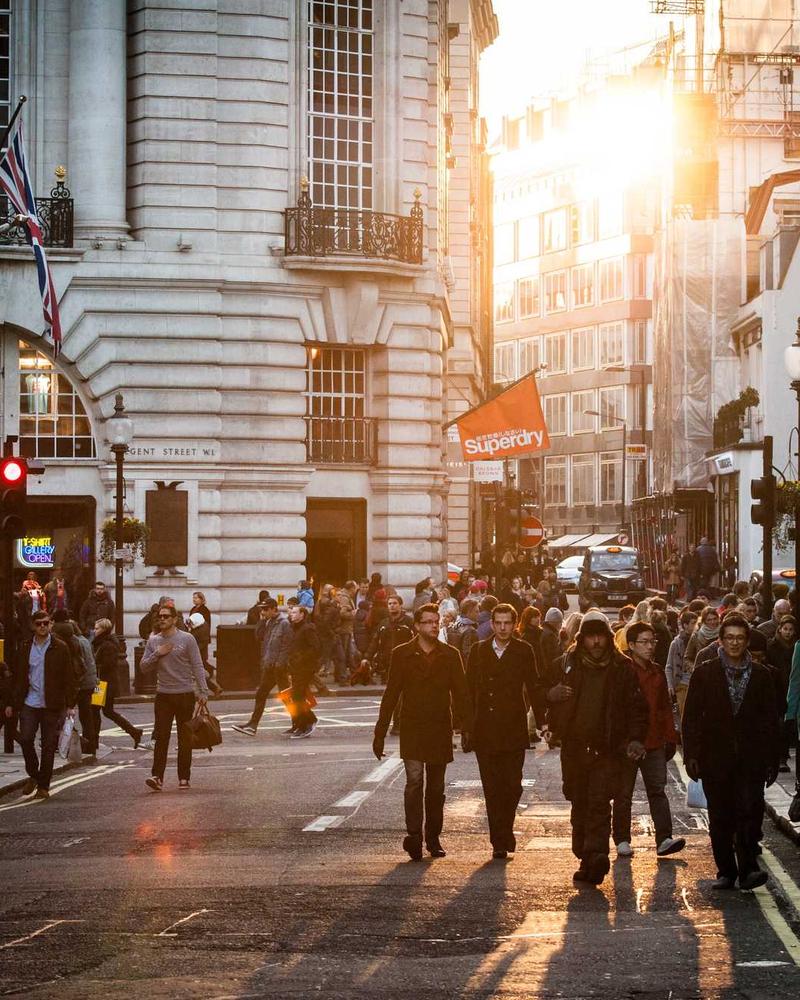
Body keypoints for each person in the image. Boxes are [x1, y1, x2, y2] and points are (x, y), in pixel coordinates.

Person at [546, 610, 648, 886]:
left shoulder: (622, 668)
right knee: (579, 800)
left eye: (600, 636)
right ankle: (585, 854)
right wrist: (550, 697)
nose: (596, 642)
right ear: (582, 639)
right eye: (590, 636)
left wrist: (635, 739)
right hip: (575, 748)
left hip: (608, 749)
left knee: (600, 804)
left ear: (608, 638)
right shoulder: (567, 664)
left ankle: (597, 853)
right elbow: (543, 691)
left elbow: (637, 708)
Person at [682, 613, 780, 890]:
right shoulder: (705, 673)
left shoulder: (761, 675)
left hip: (751, 758)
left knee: (750, 811)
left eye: (739, 638)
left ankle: (748, 868)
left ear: (747, 641)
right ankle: (726, 870)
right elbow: (691, 718)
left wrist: (773, 759)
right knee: (721, 815)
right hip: (715, 757)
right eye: (729, 638)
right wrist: (692, 754)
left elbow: (770, 720)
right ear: (720, 641)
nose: (734, 643)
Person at [372, 603, 471, 861]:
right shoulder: (402, 654)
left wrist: (467, 728)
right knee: (414, 782)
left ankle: (434, 838)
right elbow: (391, 693)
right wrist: (380, 731)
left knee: (436, 788)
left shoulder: (450, 654)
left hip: (439, 727)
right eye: (427, 622)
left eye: (436, 621)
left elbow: (461, 694)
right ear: (417, 626)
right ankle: (414, 835)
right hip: (413, 726)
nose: (433, 626)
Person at [464, 603, 539, 859]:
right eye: (498, 622)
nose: (503, 627)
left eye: (508, 622)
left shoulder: (523, 650)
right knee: (492, 787)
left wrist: (543, 722)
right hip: (485, 729)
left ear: (514, 624)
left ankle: (505, 829)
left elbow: (534, 686)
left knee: (513, 785)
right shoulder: (478, 651)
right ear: (492, 624)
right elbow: (468, 691)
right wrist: (466, 725)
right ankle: (499, 839)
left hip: (513, 728)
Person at [612, 621, 685, 859]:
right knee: (623, 793)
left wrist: (670, 737)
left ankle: (664, 838)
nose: (650, 646)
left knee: (657, 790)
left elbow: (664, 707)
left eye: (652, 641)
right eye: (644, 642)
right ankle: (622, 839)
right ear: (631, 645)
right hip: (628, 745)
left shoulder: (656, 672)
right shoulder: (622, 670)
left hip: (654, 742)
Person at [139, 604, 209, 790]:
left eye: (166, 616)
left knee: (184, 738)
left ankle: (184, 777)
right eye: (160, 616)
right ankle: (157, 777)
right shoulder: (154, 641)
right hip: (163, 695)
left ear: (174, 619)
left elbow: (197, 665)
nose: (162, 619)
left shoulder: (187, 639)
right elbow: (143, 667)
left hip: (185, 694)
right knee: (161, 738)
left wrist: (203, 691)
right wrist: (157, 653)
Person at [14, 611, 77, 799]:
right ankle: (34, 774)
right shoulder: (25, 647)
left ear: (51, 624)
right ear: (33, 625)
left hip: (52, 704)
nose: (42, 626)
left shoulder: (60, 647)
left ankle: (43, 786)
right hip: (30, 702)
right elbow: (18, 676)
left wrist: (70, 705)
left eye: (46, 623)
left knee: (48, 746)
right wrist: (12, 702)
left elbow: (69, 677)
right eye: (39, 623)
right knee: (25, 739)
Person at [234, 599, 292, 736]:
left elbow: (287, 646)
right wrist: (261, 621)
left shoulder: (284, 623)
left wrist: (280, 663)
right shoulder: (269, 622)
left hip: (279, 667)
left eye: (265, 609)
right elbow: (258, 637)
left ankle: (300, 721)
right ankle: (253, 725)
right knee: (262, 694)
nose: (263, 612)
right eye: (262, 609)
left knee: (286, 696)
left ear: (274, 609)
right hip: (269, 666)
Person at [92, 619, 144, 749]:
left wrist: (95, 665)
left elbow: (107, 665)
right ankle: (134, 732)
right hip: (103, 683)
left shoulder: (107, 645)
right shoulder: (102, 643)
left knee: (96, 712)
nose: (94, 630)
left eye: (97, 628)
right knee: (106, 712)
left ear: (104, 630)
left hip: (103, 684)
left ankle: (94, 741)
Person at [766, 615, 796, 773]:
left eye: (791, 629)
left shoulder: (796, 648)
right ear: (780, 629)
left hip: (792, 689)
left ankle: (783, 757)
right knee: (780, 726)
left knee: (789, 725)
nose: (788, 632)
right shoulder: (772, 646)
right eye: (785, 629)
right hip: (778, 690)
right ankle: (779, 758)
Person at [286, 604, 321, 738]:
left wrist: (301, 658)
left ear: (302, 615)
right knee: (297, 696)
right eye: (291, 612)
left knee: (297, 696)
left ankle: (308, 722)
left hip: (305, 668)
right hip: (296, 668)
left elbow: (316, 648)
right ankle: (303, 723)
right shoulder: (295, 628)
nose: (292, 615)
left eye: (295, 613)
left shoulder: (307, 628)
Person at [361, 595, 414, 683]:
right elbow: (375, 642)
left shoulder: (409, 622)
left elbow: (417, 640)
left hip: (404, 663)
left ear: (401, 605)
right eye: (389, 604)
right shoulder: (384, 623)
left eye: (395, 603)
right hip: (386, 664)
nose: (392, 606)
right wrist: (367, 657)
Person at [665, 609, 699, 720]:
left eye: (697, 623)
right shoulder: (676, 643)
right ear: (685, 625)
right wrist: (670, 685)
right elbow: (669, 665)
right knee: (683, 715)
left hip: (696, 683)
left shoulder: (699, 640)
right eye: (693, 623)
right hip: (682, 683)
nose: (696, 626)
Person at [446, 598, 480, 664]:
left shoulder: (454, 626)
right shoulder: (470, 631)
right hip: (463, 668)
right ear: (469, 612)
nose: (479, 614)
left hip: (453, 665)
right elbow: (467, 655)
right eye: (476, 611)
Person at [1, 659, 15, 754]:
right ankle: (25, 743)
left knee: (12, 731)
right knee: (12, 731)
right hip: (7, 706)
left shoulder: (5, 681)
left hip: (5, 707)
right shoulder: (9, 678)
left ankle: (26, 743)